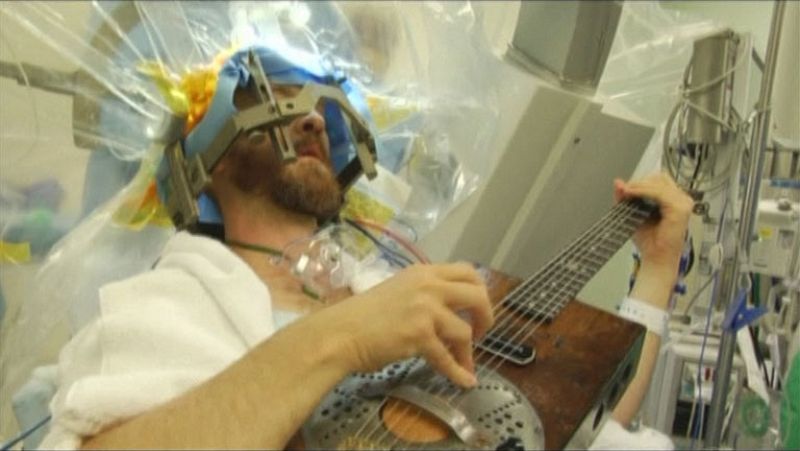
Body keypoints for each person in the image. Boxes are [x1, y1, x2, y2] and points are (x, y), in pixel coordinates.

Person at [39, 44, 693, 450]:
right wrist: (342, 336)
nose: (310, 119)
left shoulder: (387, 290)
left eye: (319, 110)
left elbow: (559, 416)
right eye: (273, 100)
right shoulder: (160, 308)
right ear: (200, 163)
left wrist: (658, 268)